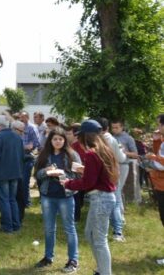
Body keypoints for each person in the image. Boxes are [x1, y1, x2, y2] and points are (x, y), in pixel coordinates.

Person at [61, 119, 119, 275]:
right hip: (103, 197)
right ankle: (101, 270)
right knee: (89, 234)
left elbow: (88, 183)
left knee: (99, 240)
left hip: (101, 198)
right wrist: (84, 170)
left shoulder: (92, 154)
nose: (77, 140)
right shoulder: (104, 150)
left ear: (85, 136)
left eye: (79, 137)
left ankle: (104, 272)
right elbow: (99, 175)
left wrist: (68, 183)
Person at [33, 128, 80, 273]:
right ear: (50, 140)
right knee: (49, 229)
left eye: (60, 139)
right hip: (48, 196)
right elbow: (37, 175)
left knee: (69, 228)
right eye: (55, 139)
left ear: (65, 140)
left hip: (65, 196)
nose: (58, 141)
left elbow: (79, 175)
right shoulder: (44, 155)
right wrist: (46, 171)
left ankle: (73, 260)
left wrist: (64, 175)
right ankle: (48, 257)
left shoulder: (72, 155)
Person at [0, 115, 24, 233]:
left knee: (4, 200)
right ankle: (16, 225)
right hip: (15, 172)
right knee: (12, 199)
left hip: (2, 173)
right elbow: (22, 155)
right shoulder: (17, 137)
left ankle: (7, 227)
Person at [96, 117, 127, 242]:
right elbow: (121, 158)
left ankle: (102, 229)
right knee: (116, 201)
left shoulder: (94, 139)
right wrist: (122, 152)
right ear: (107, 128)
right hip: (111, 174)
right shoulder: (111, 140)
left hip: (98, 174)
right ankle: (118, 232)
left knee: (101, 201)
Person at [146, 114, 164, 266]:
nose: (157, 128)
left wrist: (152, 158)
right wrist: (156, 141)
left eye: (159, 125)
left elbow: (162, 162)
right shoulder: (161, 141)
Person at [19, 111, 40, 208]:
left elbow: (36, 143)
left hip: (28, 157)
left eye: (22, 117)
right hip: (19, 157)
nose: (21, 119)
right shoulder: (18, 127)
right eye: (20, 117)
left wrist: (24, 147)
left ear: (27, 117)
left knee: (25, 181)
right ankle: (22, 201)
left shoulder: (32, 127)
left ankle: (27, 202)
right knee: (20, 180)